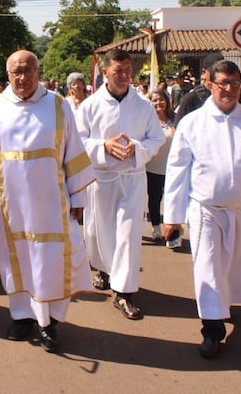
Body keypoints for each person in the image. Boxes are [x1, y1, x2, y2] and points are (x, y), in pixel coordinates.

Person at [0, 49, 95, 353]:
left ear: (38, 71)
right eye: (16, 72)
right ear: (7, 75)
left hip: (52, 206)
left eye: (28, 71)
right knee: (14, 259)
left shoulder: (58, 106)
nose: (22, 78)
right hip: (8, 206)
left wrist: (79, 196)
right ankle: (21, 316)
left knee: (49, 262)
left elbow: (73, 152)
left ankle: (49, 322)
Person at [164, 60, 241, 359]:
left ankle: (224, 308)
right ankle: (212, 330)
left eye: (234, 83)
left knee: (234, 269)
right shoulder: (192, 123)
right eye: (223, 83)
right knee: (209, 269)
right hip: (206, 211)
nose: (228, 89)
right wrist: (172, 218)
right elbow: (177, 171)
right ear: (210, 85)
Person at [75, 50, 165, 320]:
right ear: (105, 73)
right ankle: (103, 269)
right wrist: (104, 146)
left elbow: (156, 139)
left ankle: (124, 293)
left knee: (128, 235)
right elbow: (77, 142)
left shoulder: (143, 106)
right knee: (100, 234)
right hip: (101, 180)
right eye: (119, 71)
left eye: (128, 70)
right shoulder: (90, 106)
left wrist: (136, 148)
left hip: (132, 179)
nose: (125, 76)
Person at [145, 88, 176, 243]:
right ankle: (156, 226)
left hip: (172, 167)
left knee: (171, 199)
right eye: (154, 100)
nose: (158, 103)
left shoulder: (175, 119)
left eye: (161, 99)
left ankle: (172, 231)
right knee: (155, 197)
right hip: (153, 167)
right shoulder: (147, 120)